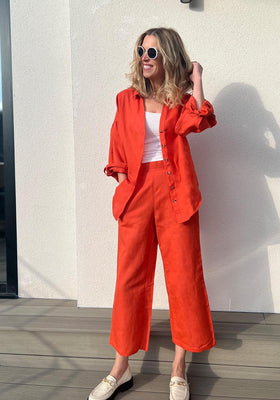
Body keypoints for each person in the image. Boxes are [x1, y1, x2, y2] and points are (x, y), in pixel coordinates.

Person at [88, 27, 217, 400]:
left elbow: (200, 121)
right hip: (137, 193)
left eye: (154, 53)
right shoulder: (125, 99)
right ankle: (120, 367)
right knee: (129, 278)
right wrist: (125, 184)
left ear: (168, 58)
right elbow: (116, 147)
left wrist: (196, 80)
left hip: (176, 192)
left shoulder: (178, 100)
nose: (145, 57)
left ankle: (179, 369)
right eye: (142, 50)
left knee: (183, 279)